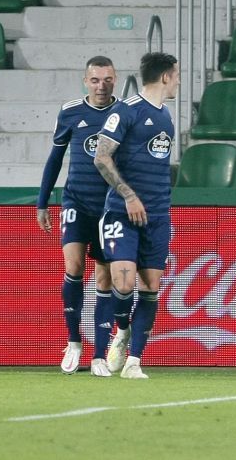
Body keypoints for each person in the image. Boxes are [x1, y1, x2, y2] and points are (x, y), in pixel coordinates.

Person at [94, 52, 180, 379]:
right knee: (124, 281)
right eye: (177, 75)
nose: (179, 80)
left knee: (151, 286)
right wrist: (128, 195)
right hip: (121, 212)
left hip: (158, 215)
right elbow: (101, 158)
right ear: (165, 77)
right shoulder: (126, 111)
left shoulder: (166, 115)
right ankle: (122, 328)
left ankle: (135, 361)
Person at [36, 56, 119, 377]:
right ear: (86, 81)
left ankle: (99, 354)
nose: (101, 85)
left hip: (109, 206)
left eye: (107, 79)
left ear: (116, 80)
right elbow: (54, 159)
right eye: (95, 80)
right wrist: (43, 203)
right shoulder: (71, 111)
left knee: (104, 278)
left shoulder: (123, 113)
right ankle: (73, 341)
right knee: (73, 266)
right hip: (76, 201)